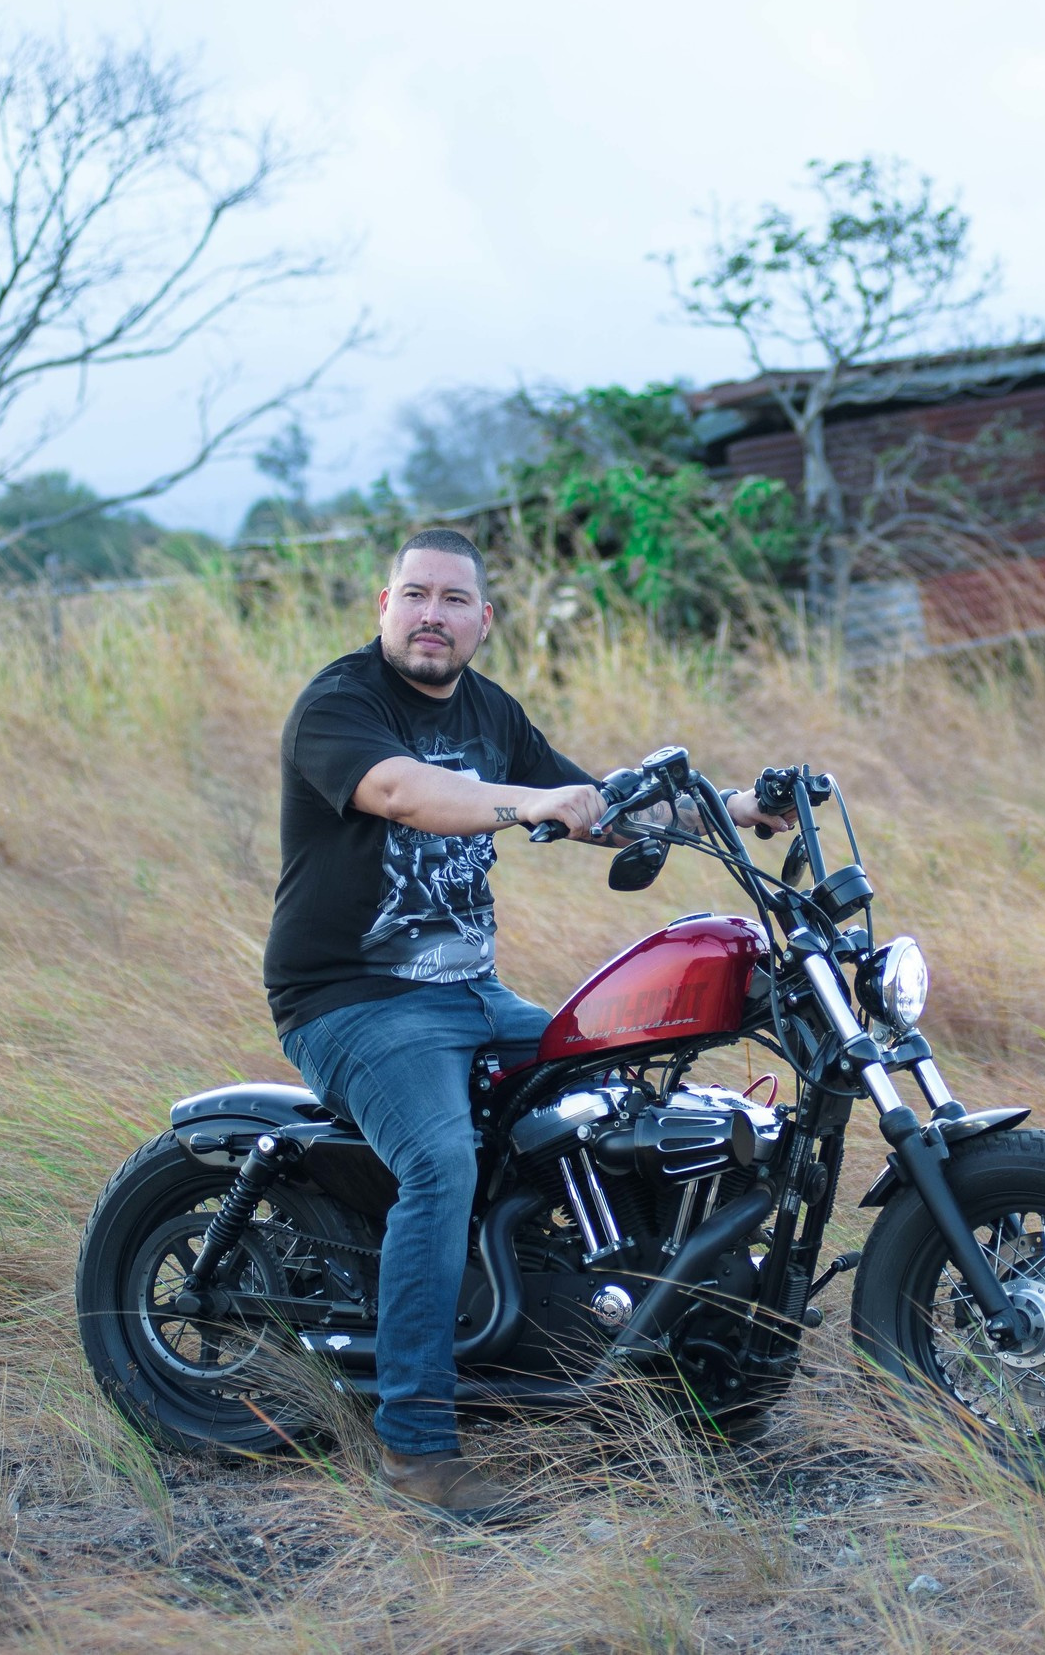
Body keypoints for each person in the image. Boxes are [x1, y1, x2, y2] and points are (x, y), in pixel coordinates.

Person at [263, 528, 791, 1521]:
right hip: (351, 998)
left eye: (452, 599)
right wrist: (525, 801)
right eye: (414, 594)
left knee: (612, 1096)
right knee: (440, 1164)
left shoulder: (488, 710)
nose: (431, 613)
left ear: (481, 618)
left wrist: (733, 805)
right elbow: (401, 791)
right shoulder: (340, 704)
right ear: (383, 604)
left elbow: (601, 805)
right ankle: (417, 1447)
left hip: (471, 994)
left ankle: (624, 1342)